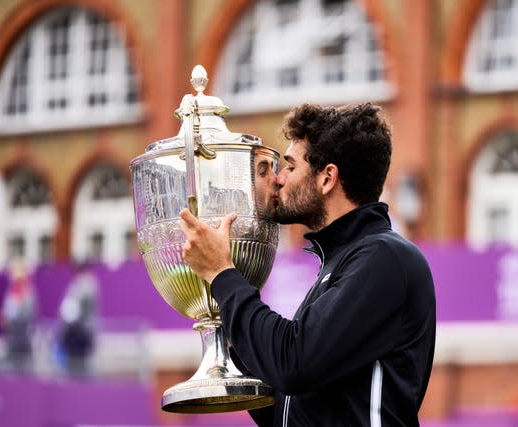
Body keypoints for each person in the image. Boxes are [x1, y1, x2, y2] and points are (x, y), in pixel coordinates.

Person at [179, 103, 436, 426]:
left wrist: (223, 274)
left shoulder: (385, 258)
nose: (278, 179)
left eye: (289, 166)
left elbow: (294, 363)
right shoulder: (342, 262)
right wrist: (230, 339)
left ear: (327, 178)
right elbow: (290, 408)